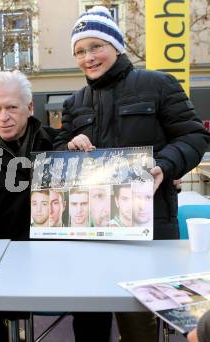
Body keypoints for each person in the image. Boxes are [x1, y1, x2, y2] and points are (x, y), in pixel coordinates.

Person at [53, 5, 210, 342]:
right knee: (89, 323)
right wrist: (68, 146)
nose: (88, 57)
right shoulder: (73, 103)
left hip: (149, 227)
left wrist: (164, 166)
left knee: (139, 324)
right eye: (80, 51)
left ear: (116, 45)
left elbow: (194, 136)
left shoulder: (159, 84)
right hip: (90, 233)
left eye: (96, 46)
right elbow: (59, 159)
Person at [0, 70, 112, 342]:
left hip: (65, 262)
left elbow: (100, 190)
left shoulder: (60, 146)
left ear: (30, 107)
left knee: (96, 297)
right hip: (5, 267)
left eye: (11, 107)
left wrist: (85, 154)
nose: (3, 117)